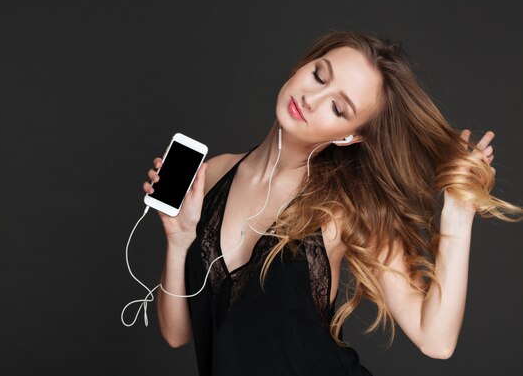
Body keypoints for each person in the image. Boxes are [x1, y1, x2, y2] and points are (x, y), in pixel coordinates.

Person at [141, 30, 522, 376]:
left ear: (349, 137)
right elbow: (178, 334)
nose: (311, 98)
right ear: (302, 66)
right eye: (319, 76)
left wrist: (459, 212)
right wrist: (179, 241)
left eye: (338, 109)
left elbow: (435, 340)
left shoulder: (346, 207)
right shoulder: (213, 175)